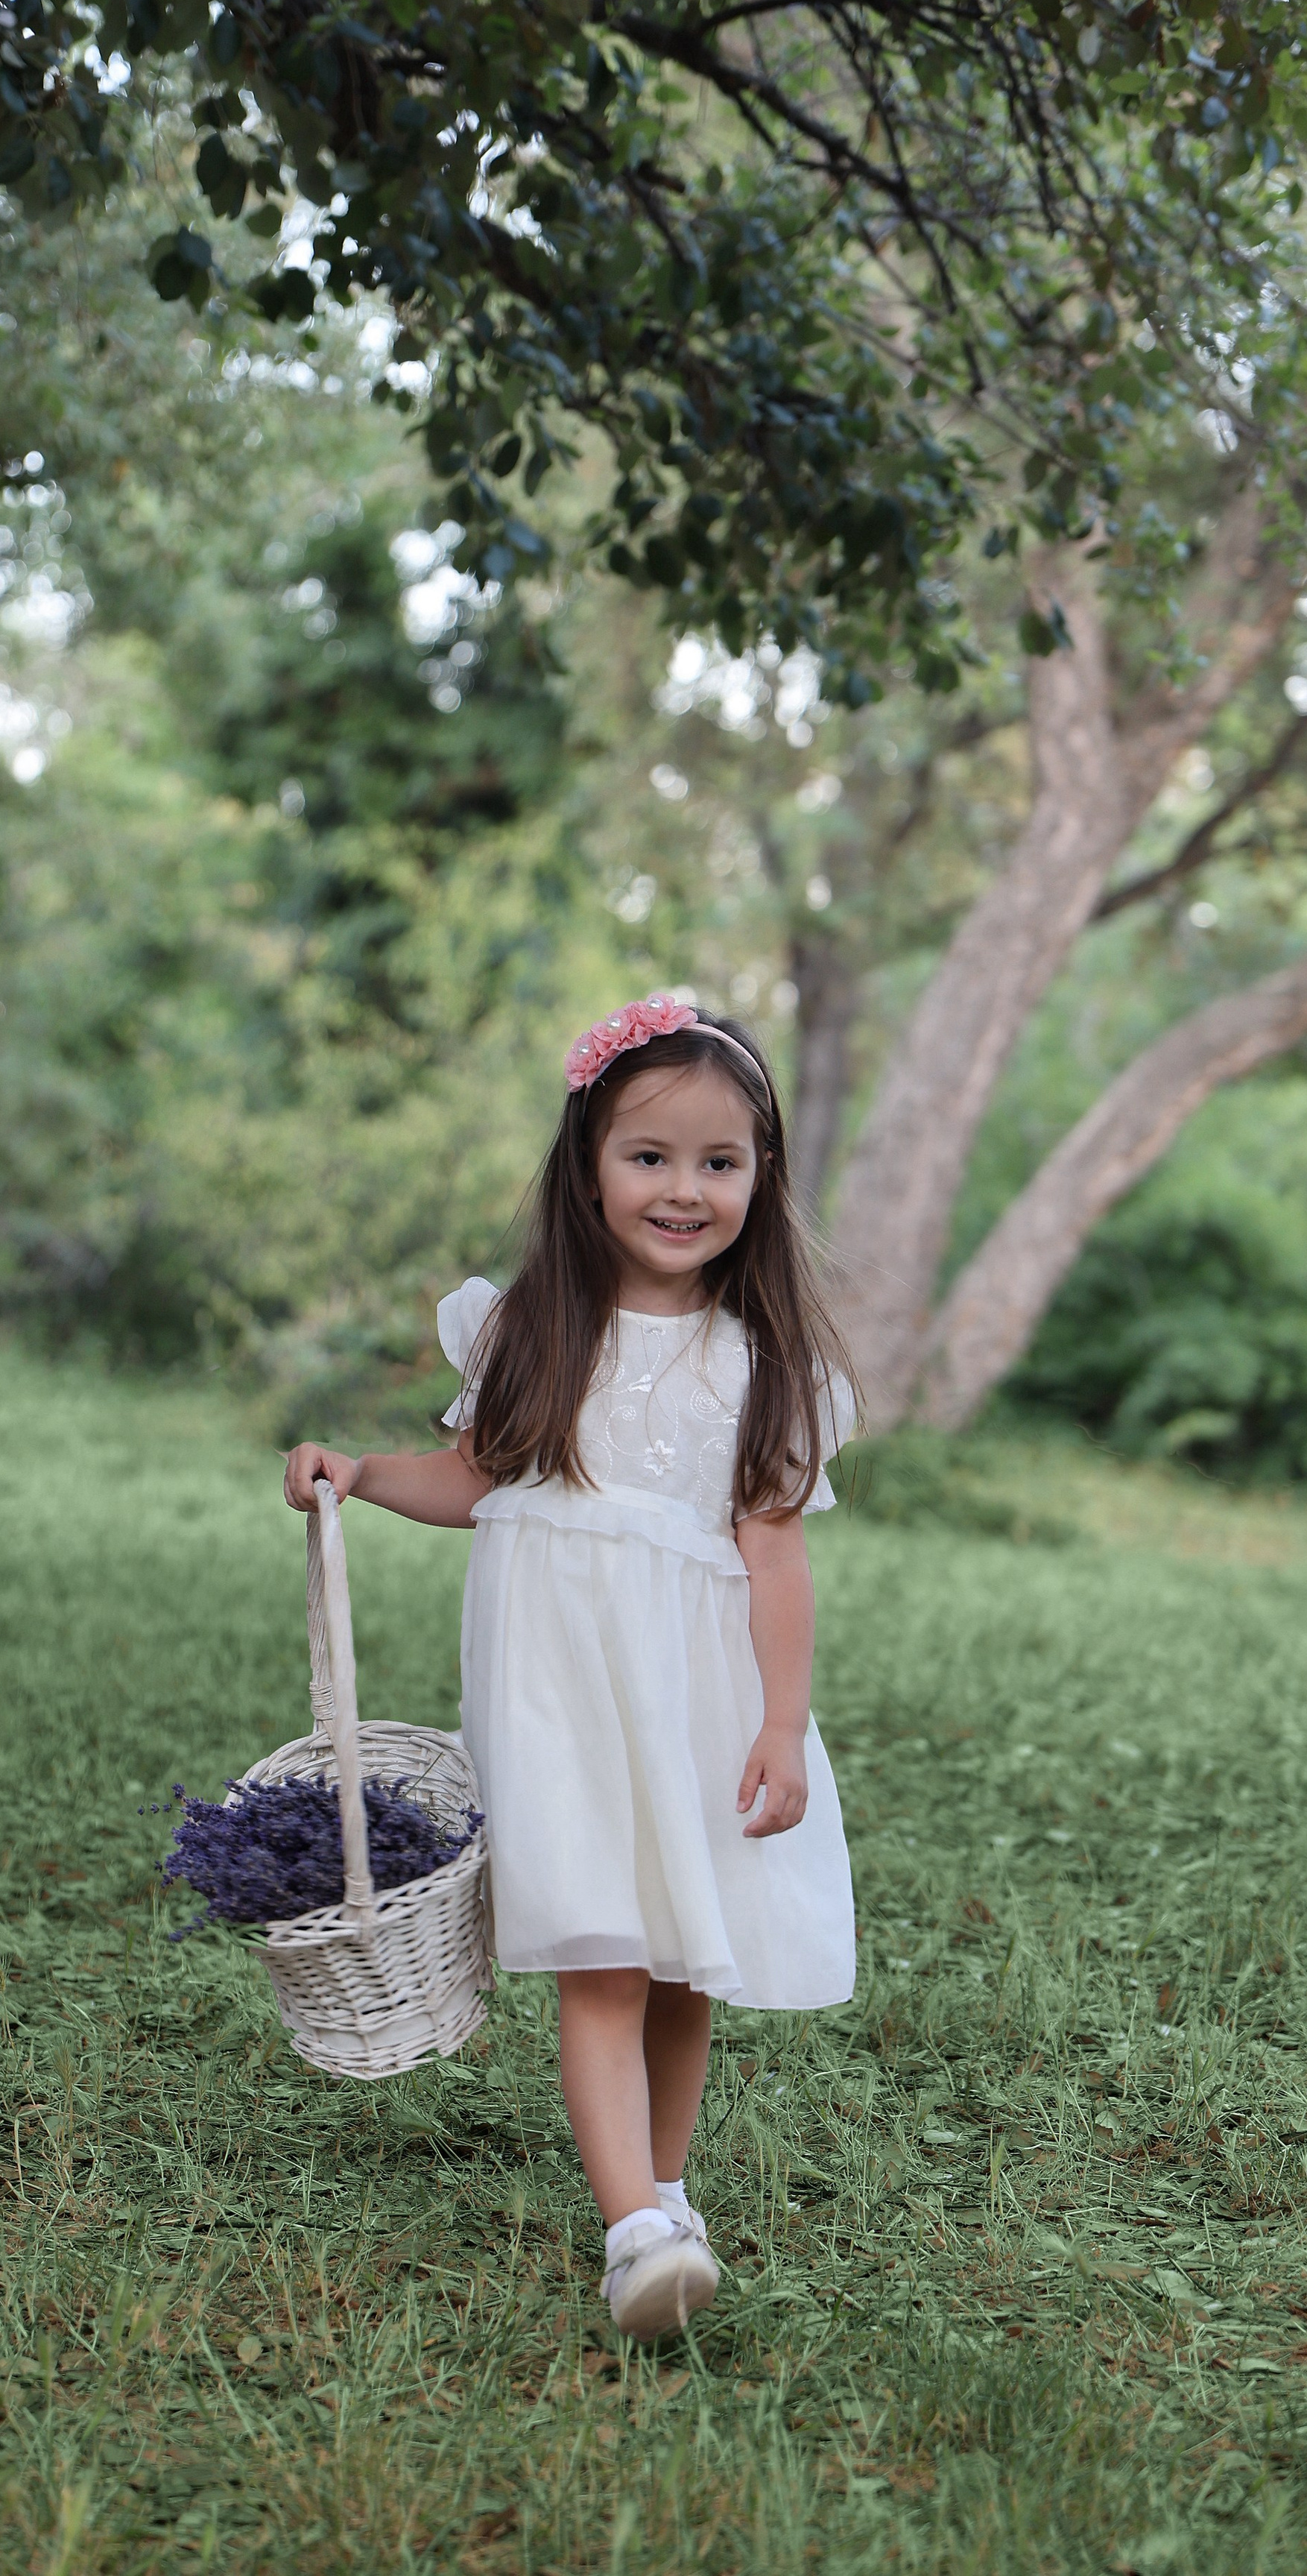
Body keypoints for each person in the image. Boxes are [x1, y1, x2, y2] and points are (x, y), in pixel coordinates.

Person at [282, 992, 858, 2338]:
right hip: (556, 1691)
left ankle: (668, 2191)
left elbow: (776, 1560)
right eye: (649, 1155)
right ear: (590, 1163)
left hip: (693, 1695)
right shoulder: (534, 1328)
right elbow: (478, 1480)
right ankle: (632, 2231)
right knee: (603, 1947)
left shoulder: (764, 1365)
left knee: (683, 1957)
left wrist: (782, 1724)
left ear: (762, 1175)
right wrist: (362, 1474)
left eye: (719, 1162)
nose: (683, 1189)